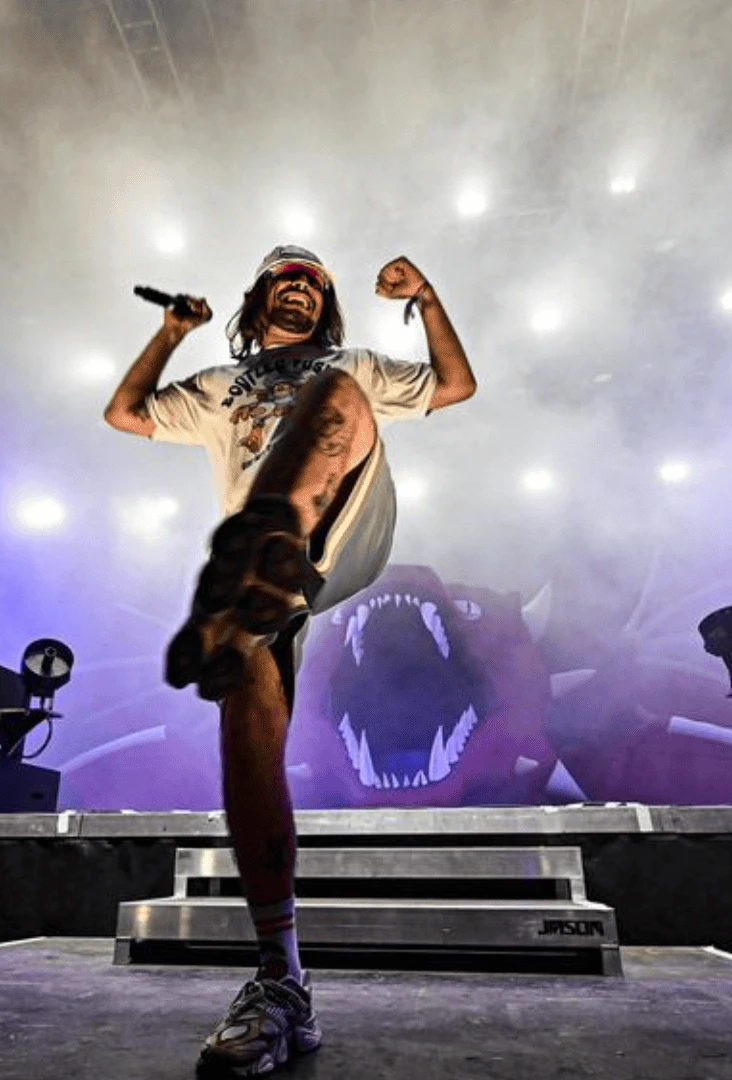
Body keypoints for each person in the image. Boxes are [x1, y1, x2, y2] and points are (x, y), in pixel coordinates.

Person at [103, 245, 475, 1075]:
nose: (302, 288)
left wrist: (426, 296)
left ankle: (269, 551)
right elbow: (125, 413)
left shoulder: (354, 362)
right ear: (261, 296)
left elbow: (455, 385)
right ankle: (282, 980)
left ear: (326, 307)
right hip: (260, 595)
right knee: (247, 708)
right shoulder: (217, 386)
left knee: (338, 396)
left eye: (315, 282)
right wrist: (171, 332)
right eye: (287, 279)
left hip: (344, 527)